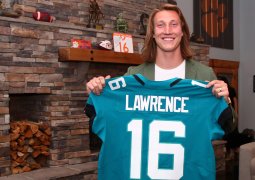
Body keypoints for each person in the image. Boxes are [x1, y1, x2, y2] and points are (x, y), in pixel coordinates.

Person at [85, 3, 234, 179]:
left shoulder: (203, 75)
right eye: (160, 25)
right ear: (153, 33)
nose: (167, 30)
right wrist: (98, 92)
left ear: (182, 31)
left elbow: (229, 126)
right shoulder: (134, 75)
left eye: (174, 24)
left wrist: (225, 100)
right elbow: (109, 116)